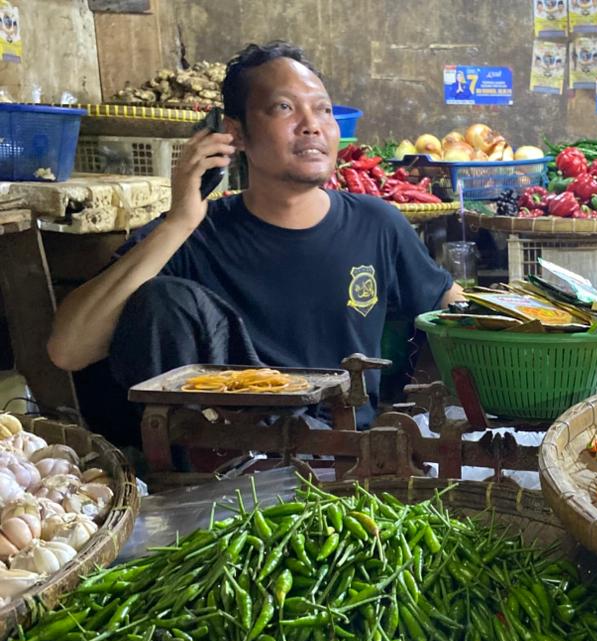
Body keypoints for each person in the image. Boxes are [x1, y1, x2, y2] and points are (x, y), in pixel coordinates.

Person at [46, 42, 464, 435]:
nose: (311, 126)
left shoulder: (378, 224)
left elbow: (455, 313)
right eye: (284, 107)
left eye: (324, 110)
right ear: (235, 133)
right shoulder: (194, 233)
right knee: (163, 299)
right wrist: (178, 222)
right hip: (227, 462)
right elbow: (67, 350)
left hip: (343, 456)